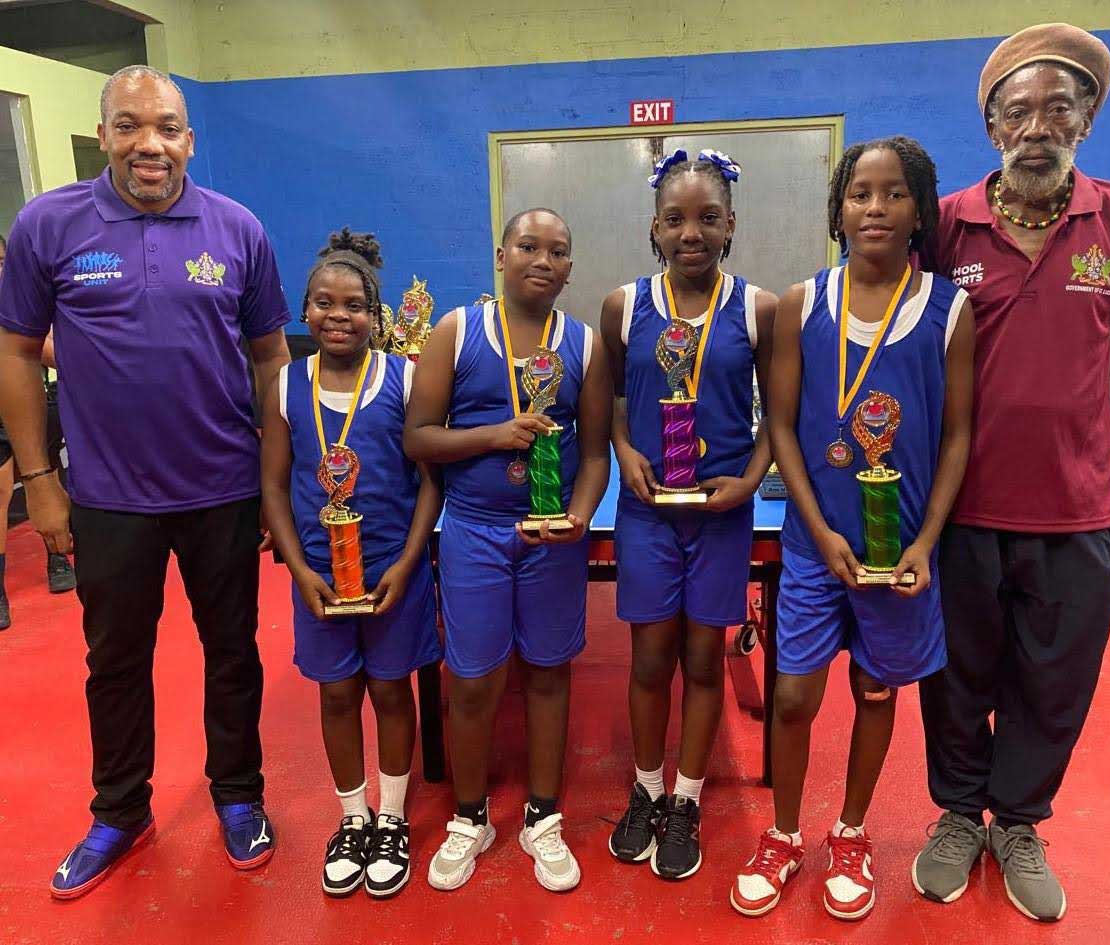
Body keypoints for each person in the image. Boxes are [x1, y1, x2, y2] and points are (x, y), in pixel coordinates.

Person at [0, 65, 291, 899]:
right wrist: (39, 481)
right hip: (106, 497)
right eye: (129, 126)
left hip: (225, 490)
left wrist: (276, 481)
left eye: (165, 126)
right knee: (114, 661)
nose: (149, 144)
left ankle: (240, 794)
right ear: (104, 136)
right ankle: (120, 809)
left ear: (189, 139)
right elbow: (17, 353)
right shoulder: (47, 226)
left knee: (233, 652)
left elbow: (271, 357)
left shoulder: (238, 229)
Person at [913, 25, 1110, 923]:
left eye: (1059, 106)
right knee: (957, 671)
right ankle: (955, 813)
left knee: (1054, 680)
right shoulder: (946, 223)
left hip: (1077, 502)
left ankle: (1017, 820)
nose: (1038, 126)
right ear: (991, 127)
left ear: (1088, 119)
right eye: (1018, 111)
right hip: (963, 504)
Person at [730, 137, 973, 920]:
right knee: (794, 696)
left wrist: (927, 540)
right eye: (860, 193)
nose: (876, 207)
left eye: (893, 193)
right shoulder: (804, 302)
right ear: (839, 207)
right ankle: (785, 831)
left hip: (899, 548)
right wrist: (815, 526)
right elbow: (787, 427)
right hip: (814, 545)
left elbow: (960, 434)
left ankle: (851, 830)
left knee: (875, 691)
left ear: (919, 209)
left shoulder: (949, 308)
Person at [404, 208, 611, 893]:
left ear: (570, 268)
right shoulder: (455, 332)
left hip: (551, 539)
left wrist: (579, 516)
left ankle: (542, 816)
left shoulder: (584, 344)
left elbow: (594, 454)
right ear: (502, 253)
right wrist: (496, 435)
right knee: (472, 677)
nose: (542, 259)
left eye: (557, 250)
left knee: (549, 672)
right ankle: (470, 817)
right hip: (474, 530)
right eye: (529, 245)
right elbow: (421, 438)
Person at [600, 150, 775, 880]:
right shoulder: (623, 306)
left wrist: (752, 479)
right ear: (655, 227)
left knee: (703, 658)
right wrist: (623, 453)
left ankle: (689, 798)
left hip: (721, 511)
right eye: (676, 219)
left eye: (708, 218)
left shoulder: (761, 309)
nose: (691, 232)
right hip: (647, 510)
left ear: (731, 225)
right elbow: (609, 400)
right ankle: (644, 789)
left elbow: (781, 418)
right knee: (648, 659)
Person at [261, 229, 441, 898]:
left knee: (393, 690)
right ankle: (352, 816)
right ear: (303, 310)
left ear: (378, 314)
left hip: (395, 571)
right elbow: (274, 484)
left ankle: (391, 817)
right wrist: (295, 566)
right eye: (323, 303)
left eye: (354, 305)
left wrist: (411, 559)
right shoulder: (284, 385)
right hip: (319, 577)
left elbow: (430, 481)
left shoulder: (406, 377)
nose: (338, 316)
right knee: (337, 694)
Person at [0, 234, 75, 631]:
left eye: (1, 261)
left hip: (33, 406)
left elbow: (48, 349)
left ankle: (57, 557)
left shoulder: (23, 301)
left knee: (47, 478)